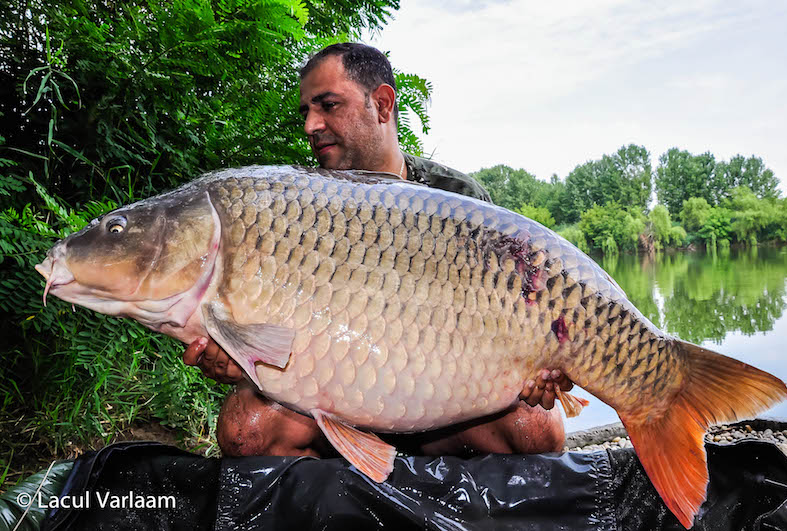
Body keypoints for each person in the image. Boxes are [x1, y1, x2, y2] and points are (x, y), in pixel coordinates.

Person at [183, 43, 573, 459]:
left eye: (328, 105)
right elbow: (285, 334)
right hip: (333, 393)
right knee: (247, 429)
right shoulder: (295, 211)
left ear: (383, 104)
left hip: (441, 404)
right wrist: (240, 357)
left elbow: (516, 322)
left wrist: (537, 368)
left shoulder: (460, 200)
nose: (311, 125)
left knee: (538, 430)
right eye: (306, 112)